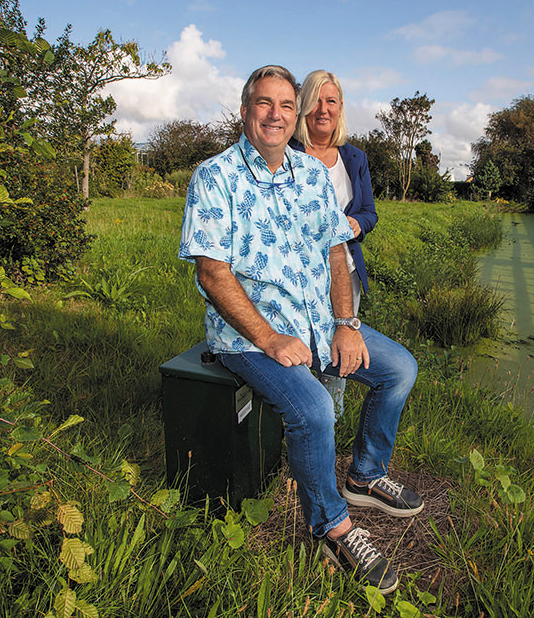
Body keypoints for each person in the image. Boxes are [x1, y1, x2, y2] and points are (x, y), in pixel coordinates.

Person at [178, 65, 422, 594]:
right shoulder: (215, 177)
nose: (276, 114)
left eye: (286, 106)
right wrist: (270, 339)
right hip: (248, 337)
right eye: (264, 104)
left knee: (400, 368)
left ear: (296, 115)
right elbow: (212, 273)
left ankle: (364, 474)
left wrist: (346, 324)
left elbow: (337, 251)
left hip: (320, 323)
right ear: (245, 111)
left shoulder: (311, 173)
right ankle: (333, 526)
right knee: (312, 409)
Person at [290, 70, 378, 419]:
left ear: (341, 108)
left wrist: (357, 224)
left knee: (339, 340)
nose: (323, 109)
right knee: (297, 339)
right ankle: (296, 414)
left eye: (331, 101)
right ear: (302, 107)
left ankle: (332, 414)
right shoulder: (287, 152)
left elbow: (370, 211)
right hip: (299, 271)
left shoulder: (354, 158)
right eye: (315, 101)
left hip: (346, 271)